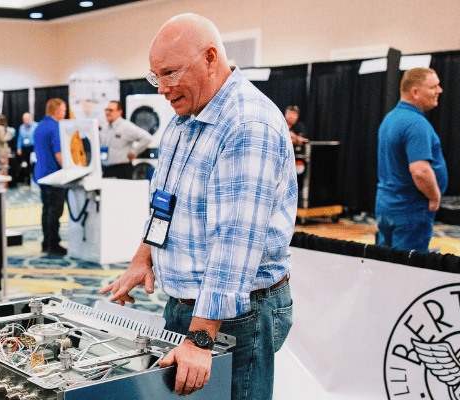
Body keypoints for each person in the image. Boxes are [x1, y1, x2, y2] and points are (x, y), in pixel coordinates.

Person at [100, 14, 296, 400]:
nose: (163, 89)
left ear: (210, 58)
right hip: (188, 306)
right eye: (156, 77)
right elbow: (165, 201)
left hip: (237, 316)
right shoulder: (184, 118)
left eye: (171, 73)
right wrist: (145, 257)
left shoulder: (247, 124)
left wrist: (201, 339)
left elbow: (234, 246)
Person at [375, 67, 447, 253]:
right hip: (410, 211)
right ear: (415, 92)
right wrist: (435, 196)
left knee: (386, 263)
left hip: (387, 206)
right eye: (434, 87)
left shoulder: (390, 118)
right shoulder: (416, 123)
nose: (439, 91)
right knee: (407, 272)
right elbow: (420, 171)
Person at [33, 99, 68, 257]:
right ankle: (53, 243)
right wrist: (69, 169)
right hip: (54, 175)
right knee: (55, 211)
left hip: (40, 173)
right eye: (63, 110)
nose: (65, 113)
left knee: (46, 209)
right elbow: (58, 154)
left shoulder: (39, 126)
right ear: (56, 111)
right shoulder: (56, 127)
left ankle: (46, 242)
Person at [100, 100, 152, 179]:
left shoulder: (126, 126)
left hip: (121, 170)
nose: (107, 112)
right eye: (106, 110)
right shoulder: (105, 127)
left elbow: (147, 138)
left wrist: (134, 152)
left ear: (119, 112)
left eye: (111, 110)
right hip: (106, 170)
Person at [16, 112, 37, 184]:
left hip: (33, 147)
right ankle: (28, 180)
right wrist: (19, 148)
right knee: (26, 164)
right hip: (25, 148)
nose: (26, 120)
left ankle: (35, 178)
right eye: (24, 119)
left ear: (30, 118)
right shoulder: (21, 127)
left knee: (34, 163)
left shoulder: (35, 125)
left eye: (27, 118)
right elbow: (19, 138)